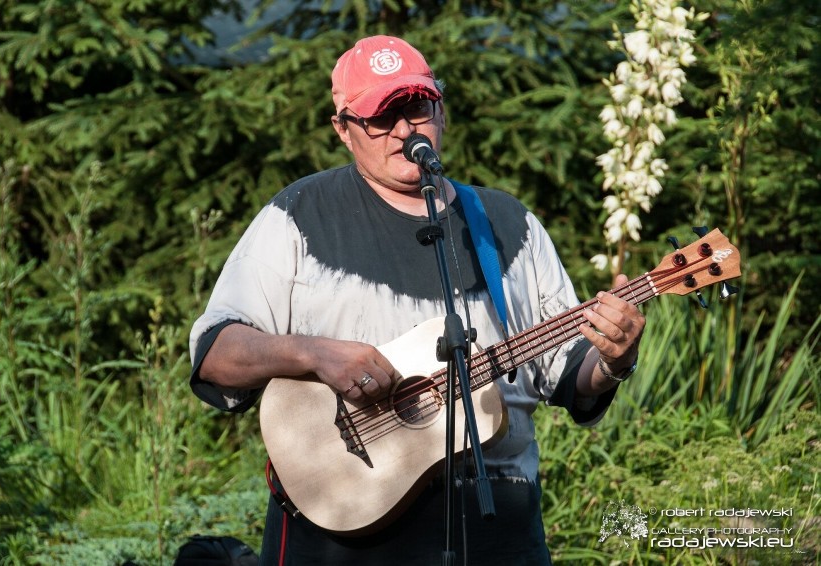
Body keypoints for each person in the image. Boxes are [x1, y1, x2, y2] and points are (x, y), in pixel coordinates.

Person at [189, 35, 645, 565]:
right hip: (342, 526)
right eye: (382, 117)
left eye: (417, 107)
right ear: (343, 129)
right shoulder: (298, 216)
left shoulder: (507, 223)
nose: (405, 130)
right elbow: (217, 353)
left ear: (441, 112)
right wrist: (314, 353)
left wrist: (615, 358)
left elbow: (567, 375)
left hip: (498, 523)